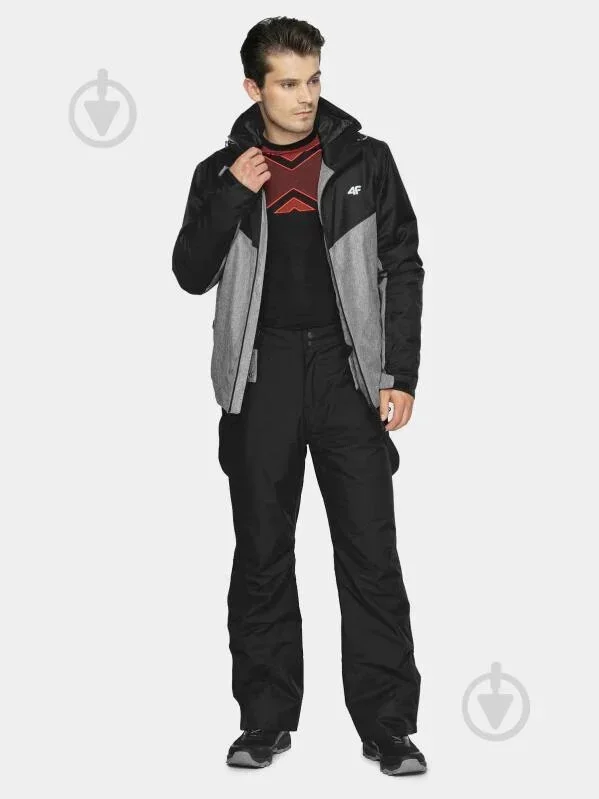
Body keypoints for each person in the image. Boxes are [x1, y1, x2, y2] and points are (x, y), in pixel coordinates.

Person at [171, 16, 427, 777]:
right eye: (287, 83)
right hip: (262, 376)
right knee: (261, 553)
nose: (305, 95)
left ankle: (387, 726)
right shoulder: (220, 171)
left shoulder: (365, 160)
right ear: (253, 88)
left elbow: (403, 265)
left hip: (348, 375)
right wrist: (231, 192)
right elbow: (189, 273)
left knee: (370, 553)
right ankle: (264, 720)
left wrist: (399, 373)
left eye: (312, 78)